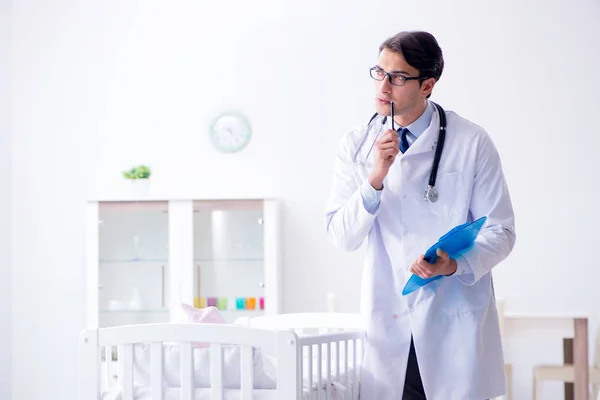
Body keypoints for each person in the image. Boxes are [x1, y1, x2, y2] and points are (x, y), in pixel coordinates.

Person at [324, 31, 516, 400]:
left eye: (397, 77)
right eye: (378, 72)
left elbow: (501, 231)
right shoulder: (357, 145)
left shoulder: (471, 142)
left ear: (427, 85)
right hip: (390, 317)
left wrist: (452, 264)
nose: (383, 86)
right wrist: (375, 177)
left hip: (453, 315)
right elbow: (341, 236)